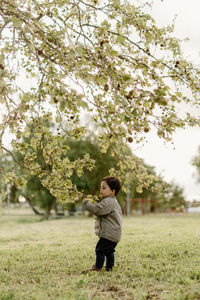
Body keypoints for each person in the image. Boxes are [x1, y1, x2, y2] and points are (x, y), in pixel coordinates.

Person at [83, 176, 122, 272]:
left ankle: (98, 267)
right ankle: (109, 267)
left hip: (108, 234)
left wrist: (86, 203)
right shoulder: (112, 201)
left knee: (99, 250)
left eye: (104, 188)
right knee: (109, 251)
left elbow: (97, 210)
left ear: (112, 191)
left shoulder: (109, 201)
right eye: (101, 187)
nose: (101, 190)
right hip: (114, 234)